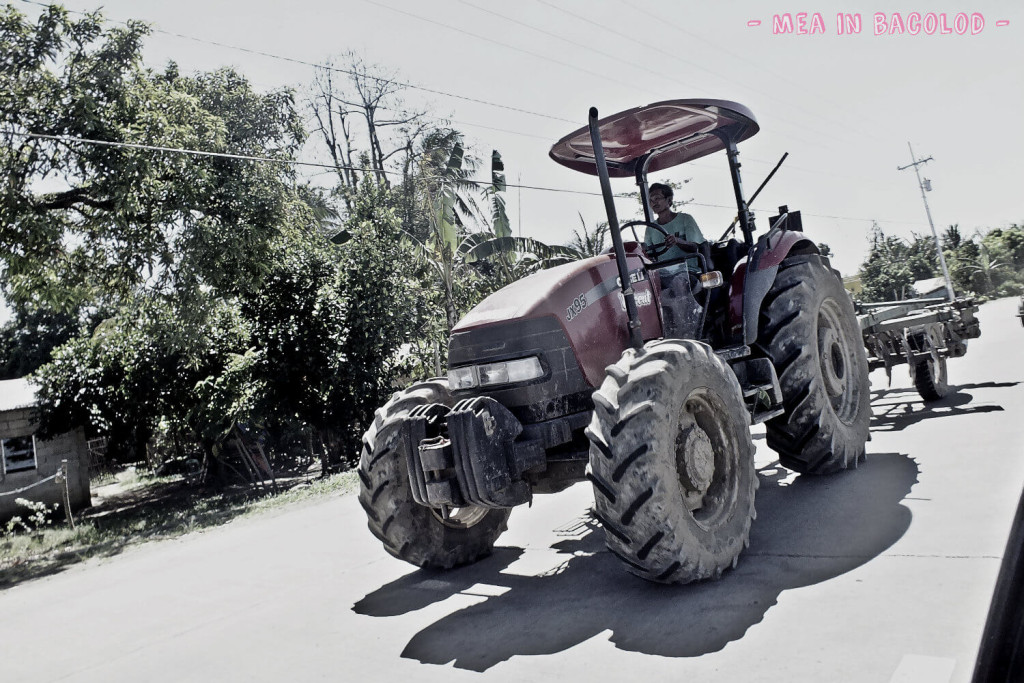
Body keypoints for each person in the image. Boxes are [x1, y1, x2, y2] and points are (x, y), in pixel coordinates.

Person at [643, 182, 704, 268]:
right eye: (651, 200)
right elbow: (649, 254)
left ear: (669, 200)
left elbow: (695, 247)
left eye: (657, 198)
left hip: (688, 270)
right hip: (663, 272)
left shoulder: (685, 219)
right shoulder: (650, 228)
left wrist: (677, 241)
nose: (654, 202)